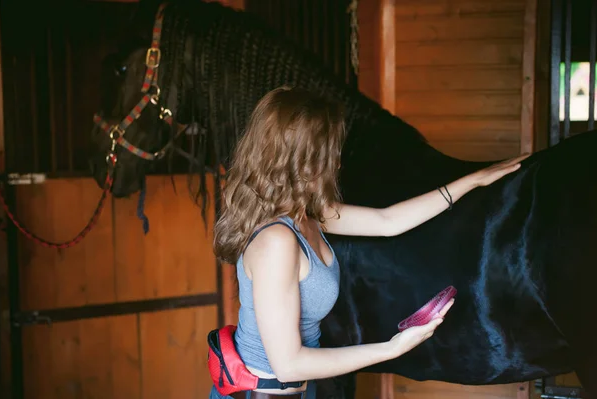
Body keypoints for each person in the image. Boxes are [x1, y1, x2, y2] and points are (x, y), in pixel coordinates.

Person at [210, 86, 529, 399]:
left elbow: (387, 221)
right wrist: (392, 348)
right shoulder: (276, 241)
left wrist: (472, 181)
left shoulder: (307, 216)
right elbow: (289, 365)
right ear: (303, 161)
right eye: (330, 153)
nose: (336, 163)